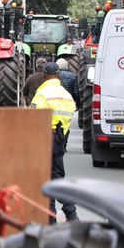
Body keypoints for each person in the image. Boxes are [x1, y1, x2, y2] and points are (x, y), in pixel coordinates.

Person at [30, 62, 78, 223]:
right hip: (60, 138)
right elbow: (70, 115)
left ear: (44, 75)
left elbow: (34, 118)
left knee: (53, 178)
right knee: (53, 176)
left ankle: (68, 213)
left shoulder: (42, 93)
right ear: (58, 75)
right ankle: (52, 216)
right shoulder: (66, 95)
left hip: (44, 139)